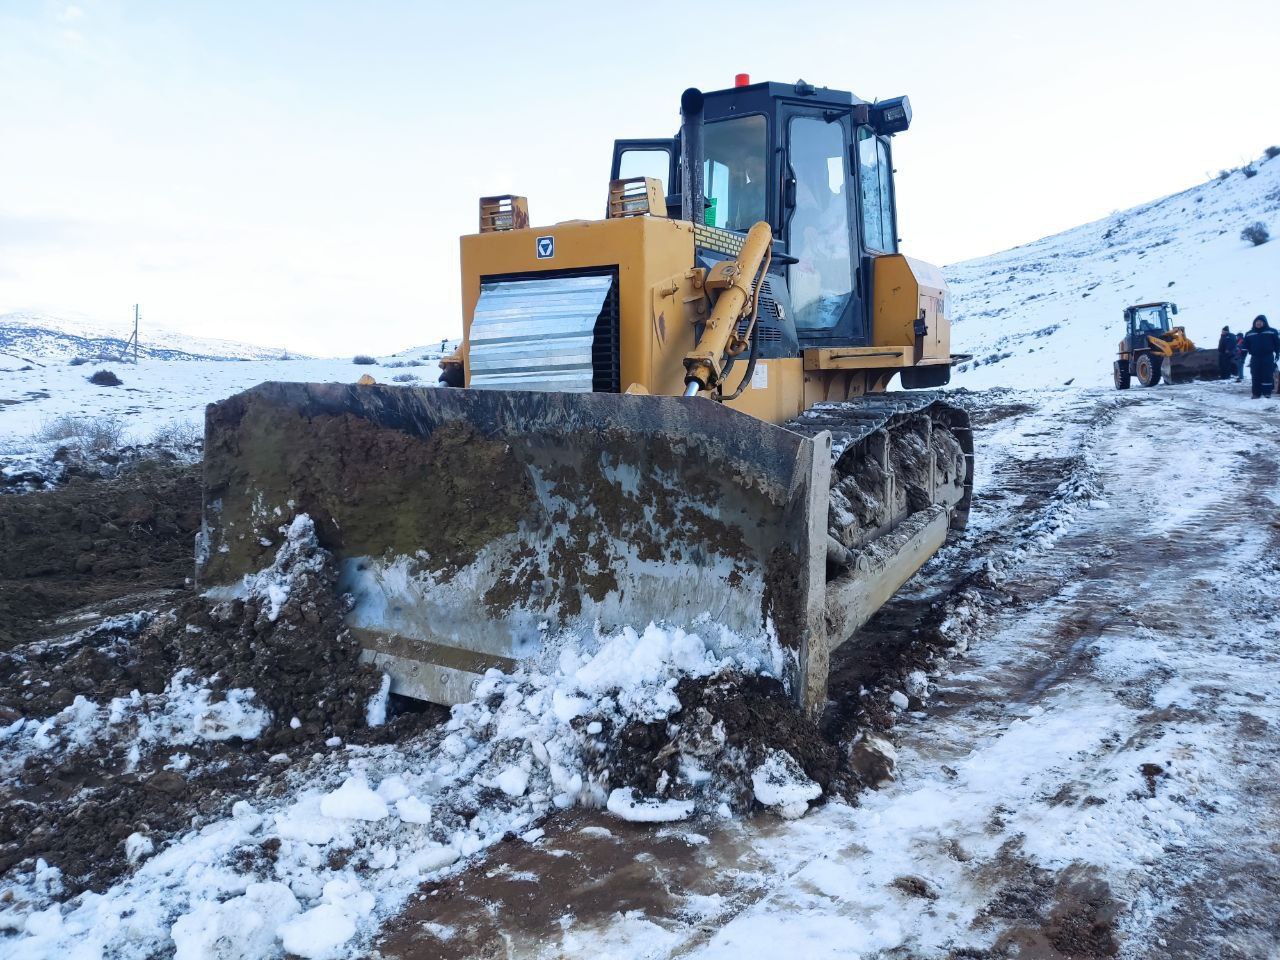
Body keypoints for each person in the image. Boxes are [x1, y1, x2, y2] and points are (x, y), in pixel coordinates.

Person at [1240, 315, 1280, 399]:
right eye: (1257, 322)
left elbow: (1277, 344)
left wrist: (1277, 354)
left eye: (1260, 322)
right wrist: (1242, 357)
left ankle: (1267, 393)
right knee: (1255, 374)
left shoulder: (1272, 332)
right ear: (1254, 323)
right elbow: (1244, 347)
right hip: (1255, 357)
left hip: (1268, 357)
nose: (1258, 323)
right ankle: (1256, 393)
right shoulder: (1249, 334)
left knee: (1267, 375)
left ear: (1264, 323)